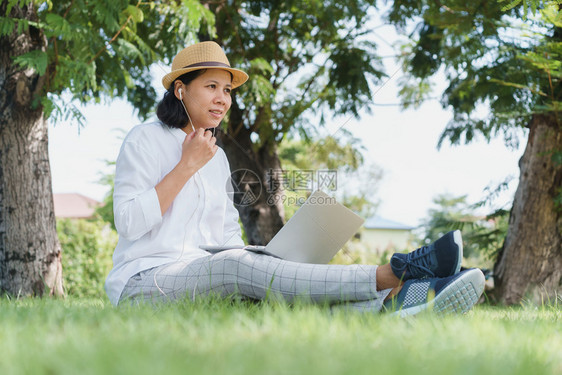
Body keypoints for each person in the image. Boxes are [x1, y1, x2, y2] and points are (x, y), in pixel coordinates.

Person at [104, 41, 485, 316]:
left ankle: (398, 303)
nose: (223, 99)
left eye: (228, 90)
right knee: (236, 268)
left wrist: (267, 257)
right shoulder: (145, 139)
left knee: (268, 295)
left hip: (208, 279)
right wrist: (186, 166)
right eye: (212, 87)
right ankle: (396, 272)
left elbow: (224, 240)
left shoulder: (217, 158)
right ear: (181, 89)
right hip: (145, 283)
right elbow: (130, 222)